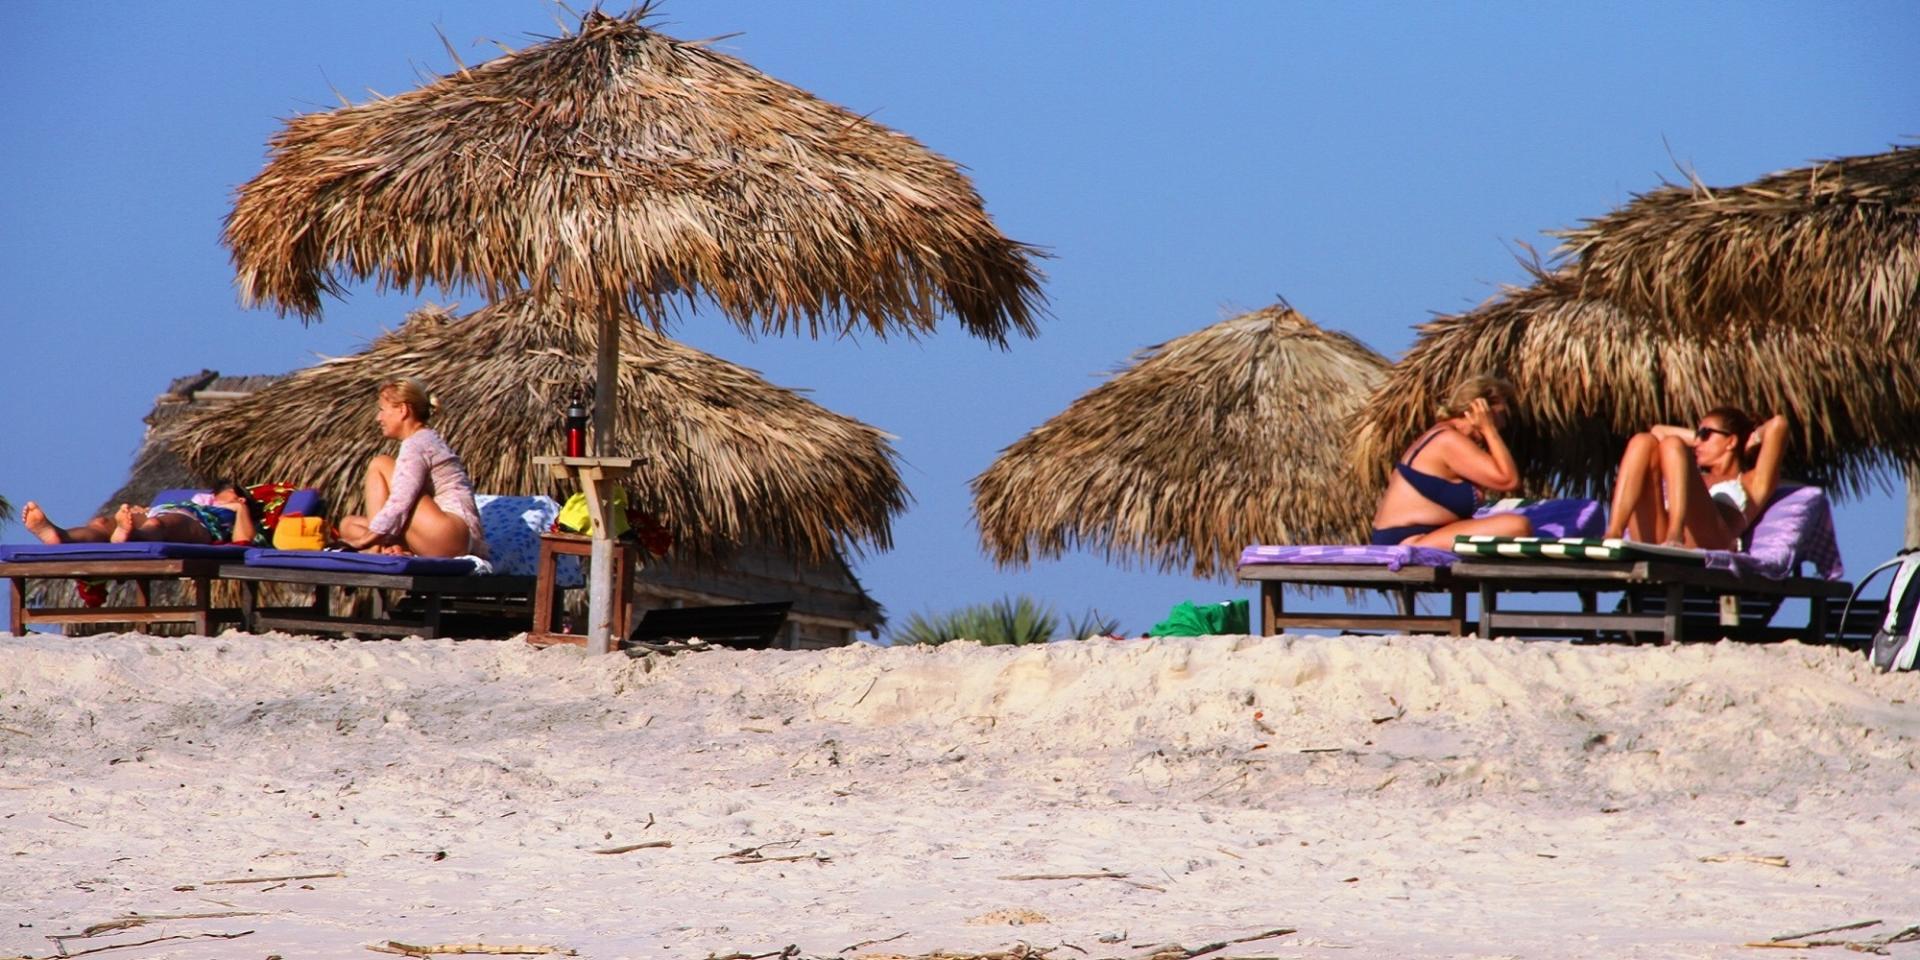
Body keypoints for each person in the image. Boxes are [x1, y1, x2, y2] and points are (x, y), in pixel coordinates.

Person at [1369, 375, 1532, 547]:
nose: (1503, 423)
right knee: (1518, 526)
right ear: (1481, 410)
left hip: (1422, 535)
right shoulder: (1448, 440)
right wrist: (1489, 429)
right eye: (1501, 414)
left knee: (1512, 525)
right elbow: (1508, 480)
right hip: (1408, 539)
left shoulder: (1448, 436)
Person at [334, 377, 489, 559]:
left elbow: (401, 500)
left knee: (380, 463)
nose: (378, 418)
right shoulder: (427, 439)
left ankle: (376, 547)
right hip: (441, 538)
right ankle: (387, 546)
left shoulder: (417, 443)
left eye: (382, 410)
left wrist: (365, 540)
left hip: (450, 533)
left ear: (402, 410)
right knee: (348, 525)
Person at [1603, 407, 1788, 550]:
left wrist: (1750, 439)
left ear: (1731, 441)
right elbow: (1658, 431)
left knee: (1672, 444)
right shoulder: (1694, 477)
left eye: (1705, 435)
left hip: (1713, 542)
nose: (1697, 442)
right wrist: (1703, 437)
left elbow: (1778, 425)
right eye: (1697, 435)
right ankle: (1613, 533)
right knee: (1642, 441)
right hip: (1659, 538)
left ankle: (1676, 533)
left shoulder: (1753, 482)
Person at [21, 480, 260, 546]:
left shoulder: (233, 511)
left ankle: (131, 536)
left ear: (239, 496)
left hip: (200, 525)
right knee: (102, 522)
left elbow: (243, 541)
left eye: (224, 493)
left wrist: (240, 507)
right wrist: (140, 512)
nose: (216, 496)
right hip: (166, 512)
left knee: (158, 525)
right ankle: (60, 536)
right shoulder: (199, 500)